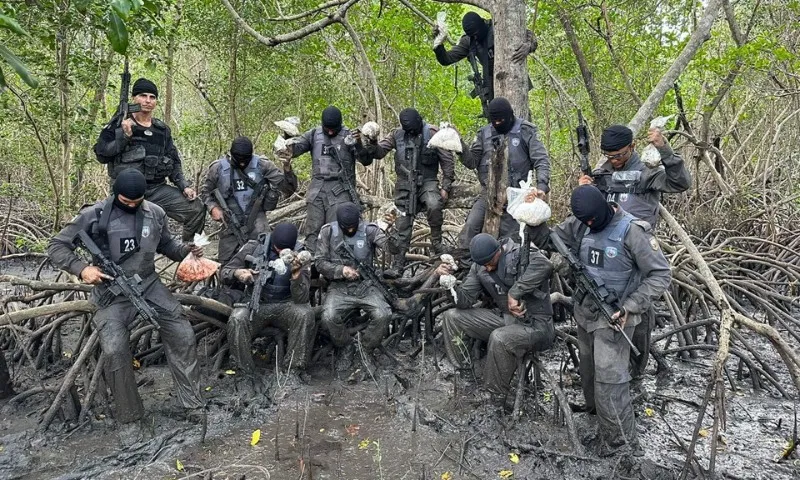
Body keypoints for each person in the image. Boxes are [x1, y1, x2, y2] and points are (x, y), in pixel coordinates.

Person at [47, 169, 205, 428]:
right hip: (111, 293)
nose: (132, 206)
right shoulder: (94, 215)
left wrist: (186, 250)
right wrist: (82, 269)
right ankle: (131, 419)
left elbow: (167, 245)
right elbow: (56, 246)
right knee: (115, 349)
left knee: (182, 332)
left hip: (150, 285)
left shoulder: (155, 212)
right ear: (115, 194)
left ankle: (193, 404)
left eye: (137, 202)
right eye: (126, 202)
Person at [550, 185, 671, 456]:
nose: (591, 224)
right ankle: (596, 416)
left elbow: (661, 275)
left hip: (616, 316)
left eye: (594, 219)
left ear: (606, 205)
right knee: (589, 371)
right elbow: (550, 238)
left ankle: (623, 448)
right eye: (586, 221)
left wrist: (631, 306)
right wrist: (532, 211)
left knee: (611, 381)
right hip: (585, 312)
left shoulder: (633, 231)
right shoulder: (580, 224)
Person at [579, 124, 691, 378]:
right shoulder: (603, 174)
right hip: (607, 252)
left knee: (638, 314)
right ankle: (602, 372)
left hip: (638, 251)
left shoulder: (646, 172)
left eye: (619, 155)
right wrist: (585, 188)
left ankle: (636, 373)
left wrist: (664, 148)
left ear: (632, 147)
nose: (614, 161)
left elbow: (680, 182)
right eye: (609, 156)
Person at [437, 233, 553, 397]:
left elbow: (545, 265)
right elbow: (464, 301)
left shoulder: (520, 254)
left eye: (490, 262)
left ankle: (494, 398)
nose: (488, 268)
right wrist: (447, 282)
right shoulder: (480, 267)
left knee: (499, 337)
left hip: (536, 326)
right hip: (506, 320)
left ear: (499, 250)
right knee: (452, 317)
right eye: (484, 265)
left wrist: (515, 292)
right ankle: (466, 376)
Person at [94, 78, 205, 241]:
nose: (147, 100)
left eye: (152, 97)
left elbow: (174, 162)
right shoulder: (118, 124)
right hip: (126, 193)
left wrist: (184, 186)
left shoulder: (162, 130)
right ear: (134, 98)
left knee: (195, 208)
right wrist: (124, 136)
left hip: (156, 189)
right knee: (121, 235)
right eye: (143, 95)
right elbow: (101, 155)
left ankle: (188, 255)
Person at [362, 108, 455, 278]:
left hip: (428, 181)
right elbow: (380, 152)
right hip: (404, 185)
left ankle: (437, 243)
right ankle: (397, 265)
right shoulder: (396, 135)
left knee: (434, 204)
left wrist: (446, 186)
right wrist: (371, 142)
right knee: (402, 223)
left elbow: (447, 160)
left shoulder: (433, 132)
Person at [221, 223, 316, 386]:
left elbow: (302, 298)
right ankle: (245, 373)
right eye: (278, 248)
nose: (281, 253)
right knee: (237, 319)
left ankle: (293, 371)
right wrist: (239, 273)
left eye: (285, 250)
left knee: (305, 314)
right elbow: (225, 271)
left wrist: (296, 276)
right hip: (257, 303)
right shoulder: (253, 247)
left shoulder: (302, 255)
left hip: (287, 304)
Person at [458, 97, 551, 253]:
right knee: (471, 226)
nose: (497, 124)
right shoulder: (484, 133)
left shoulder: (526, 131)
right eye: (494, 121)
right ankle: (467, 266)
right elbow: (472, 161)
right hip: (488, 194)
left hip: (517, 196)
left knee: (511, 239)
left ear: (510, 115)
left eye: (501, 120)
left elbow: (541, 160)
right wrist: (459, 146)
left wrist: (542, 185)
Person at [284, 106, 373, 253]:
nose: (330, 132)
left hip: (340, 190)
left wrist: (359, 144)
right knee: (313, 230)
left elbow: (366, 160)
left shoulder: (349, 136)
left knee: (336, 230)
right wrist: (287, 137)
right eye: (327, 129)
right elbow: (294, 150)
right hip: (317, 189)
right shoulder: (313, 134)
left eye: (334, 129)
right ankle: (312, 264)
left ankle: (334, 266)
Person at [315, 203, 392, 370]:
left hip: (367, 285)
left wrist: (394, 231)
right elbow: (319, 262)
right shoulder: (327, 231)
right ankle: (345, 347)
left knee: (383, 314)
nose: (350, 230)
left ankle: (366, 348)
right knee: (328, 317)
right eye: (345, 228)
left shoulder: (370, 230)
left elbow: (391, 247)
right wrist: (341, 270)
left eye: (353, 227)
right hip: (339, 287)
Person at [201, 136, 296, 263]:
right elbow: (205, 192)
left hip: (258, 223)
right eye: (238, 160)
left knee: (264, 263)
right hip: (230, 224)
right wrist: (212, 207)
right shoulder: (218, 168)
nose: (242, 164)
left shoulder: (263, 165)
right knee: (226, 267)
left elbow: (288, 189)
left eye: (245, 160)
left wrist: (287, 167)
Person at [432, 12, 536, 115]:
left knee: (520, 118)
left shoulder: (498, 27)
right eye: (472, 35)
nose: (475, 37)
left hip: (513, 81)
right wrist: (438, 44)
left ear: (482, 24)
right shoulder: (469, 41)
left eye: (476, 33)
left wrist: (528, 45)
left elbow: (527, 34)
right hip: (492, 88)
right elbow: (446, 59)